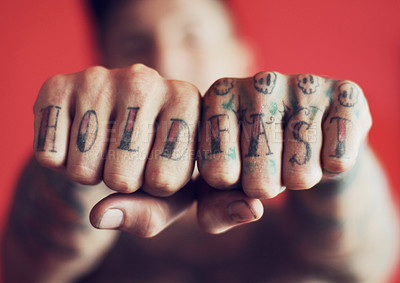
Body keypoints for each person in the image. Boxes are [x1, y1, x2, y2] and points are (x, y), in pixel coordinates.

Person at [2, 0, 399, 282]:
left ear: (244, 59)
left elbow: (369, 257)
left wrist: (333, 155)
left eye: (193, 37)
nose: (168, 63)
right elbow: (27, 265)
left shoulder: (300, 237)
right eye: (134, 45)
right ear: (108, 76)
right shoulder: (81, 254)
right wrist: (72, 163)